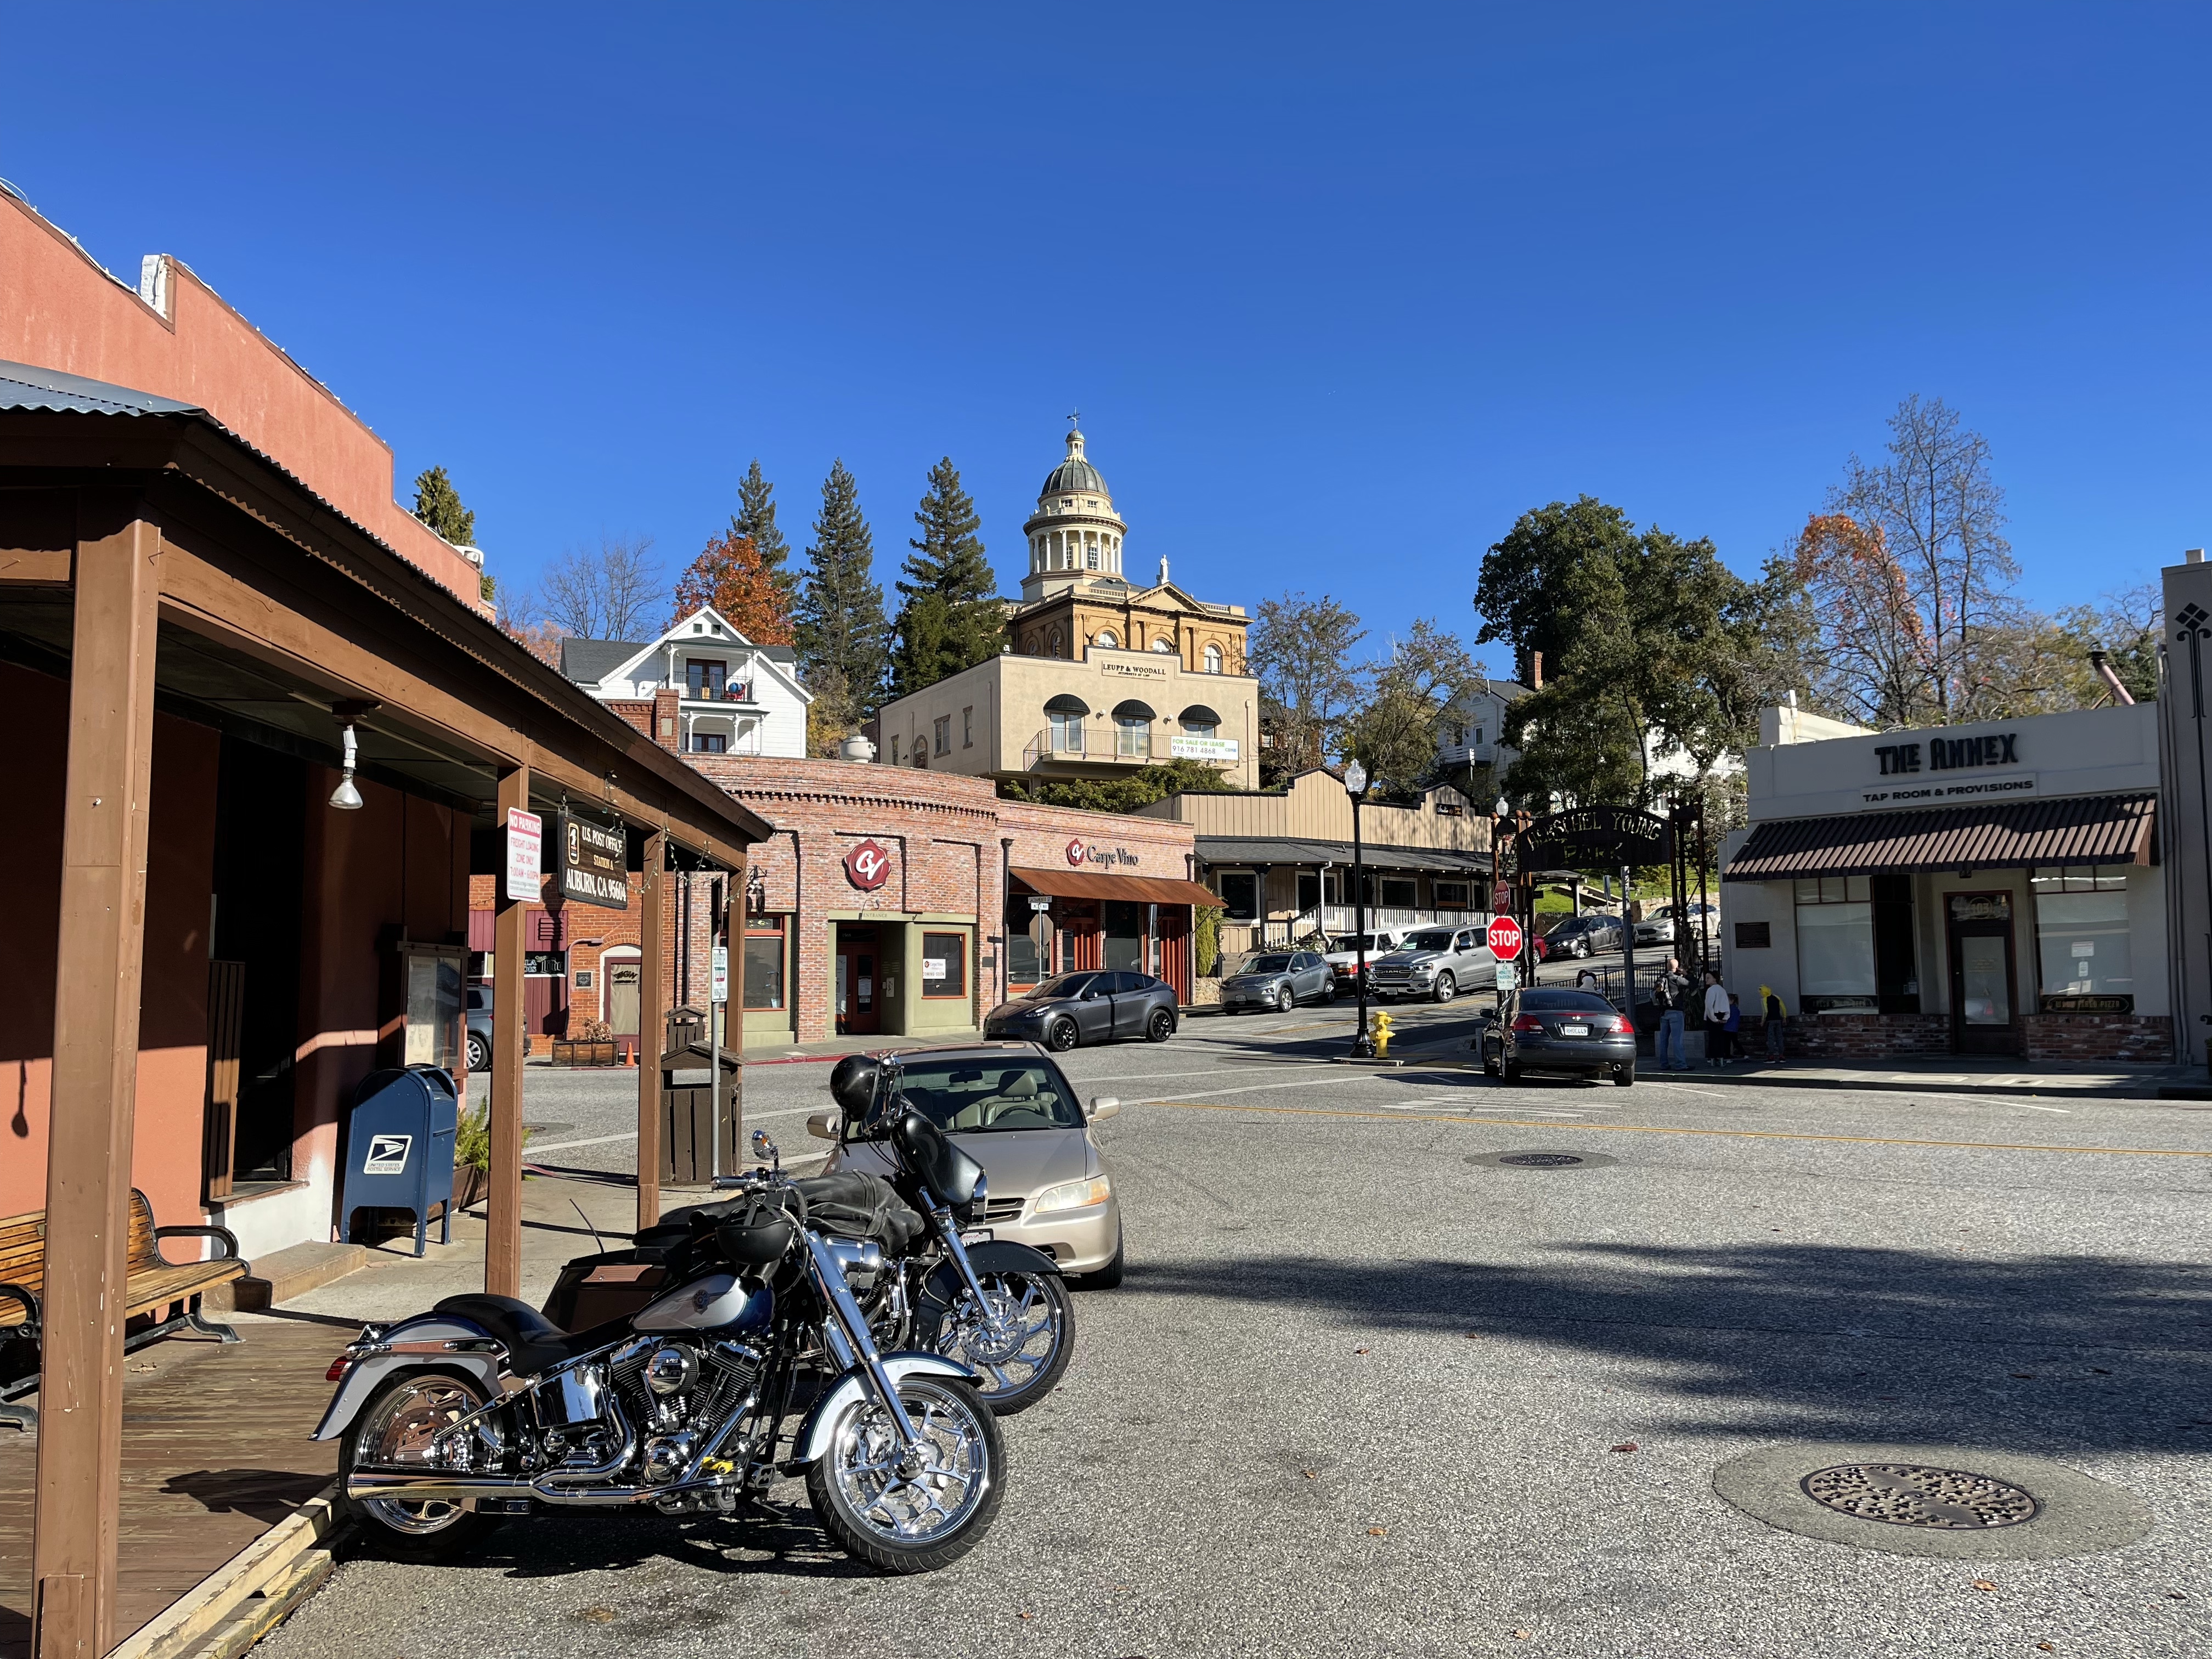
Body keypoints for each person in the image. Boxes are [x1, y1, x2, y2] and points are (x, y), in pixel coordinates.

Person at [1652, 957, 1690, 1071]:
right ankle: (1681, 1065)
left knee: (1663, 1041)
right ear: (1677, 968)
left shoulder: (1661, 979)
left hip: (1664, 1013)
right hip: (1676, 1012)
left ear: (1667, 967)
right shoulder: (1677, 979)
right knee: (1677, 1040)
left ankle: (1664, 1064)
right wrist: (1686, 974)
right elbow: (1692, 984)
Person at [1702, 970, 1729, 1069]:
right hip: (1721, 1015)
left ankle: (1713, 1058)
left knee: (1713, 1039)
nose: (1706, 980)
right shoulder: (1722, 990)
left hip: (1713, 1015)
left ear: (1715, 979)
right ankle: (1720, 1058)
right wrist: (1726, 1017)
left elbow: (1709, 1006)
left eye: (1708, 978)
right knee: (1720, 1038)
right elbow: (1726, 1005)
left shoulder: (1711, 990)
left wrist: (1713, 1018)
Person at [1762, 984, 1788, 1063]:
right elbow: (1783, 1008)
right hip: (1778, 1019)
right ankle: (1781, 1056)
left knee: (1771, 1038)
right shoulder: (1777, 997)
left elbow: (1765, 1011)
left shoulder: (1765, 999)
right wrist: (1784, 1017)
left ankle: (1771, 1057)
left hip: (1770, 1020)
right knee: (1780, 1038)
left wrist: (1763, 1021)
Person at [1723, 993, 1743, 1066]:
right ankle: (1744, 1054)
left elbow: (1727, 1018)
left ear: (1732, 1001)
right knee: (1735, 1042)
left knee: (1727, 1043)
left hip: (1727, 1027)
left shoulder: (1729, 1009)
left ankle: (1728, 1056)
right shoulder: (1736, 1009)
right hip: (1734, 1028)